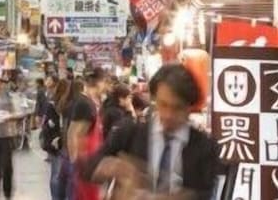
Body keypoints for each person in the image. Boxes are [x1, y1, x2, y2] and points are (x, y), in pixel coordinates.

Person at [87, 64, 219, 199]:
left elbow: (205, 193)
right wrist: (110, 167)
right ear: (154, 100)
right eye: (163, 104)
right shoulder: (129, 134)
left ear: (189, 107)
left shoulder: (204, 148)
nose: (168, 115)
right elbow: (88, 167)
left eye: (177, 108)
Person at [66, 66, 108, 200]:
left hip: (89, 163)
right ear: (100, 82)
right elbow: (73, 134)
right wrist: (76, 163)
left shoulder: (88, 102)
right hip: (85, 165)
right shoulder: (85, 104)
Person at [41, 78, 71, 200]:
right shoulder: (56, 105)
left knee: (57, 175)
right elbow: (49, 124)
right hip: (58, 143)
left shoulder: (60, 104)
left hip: (59, 143)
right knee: (57, 175)